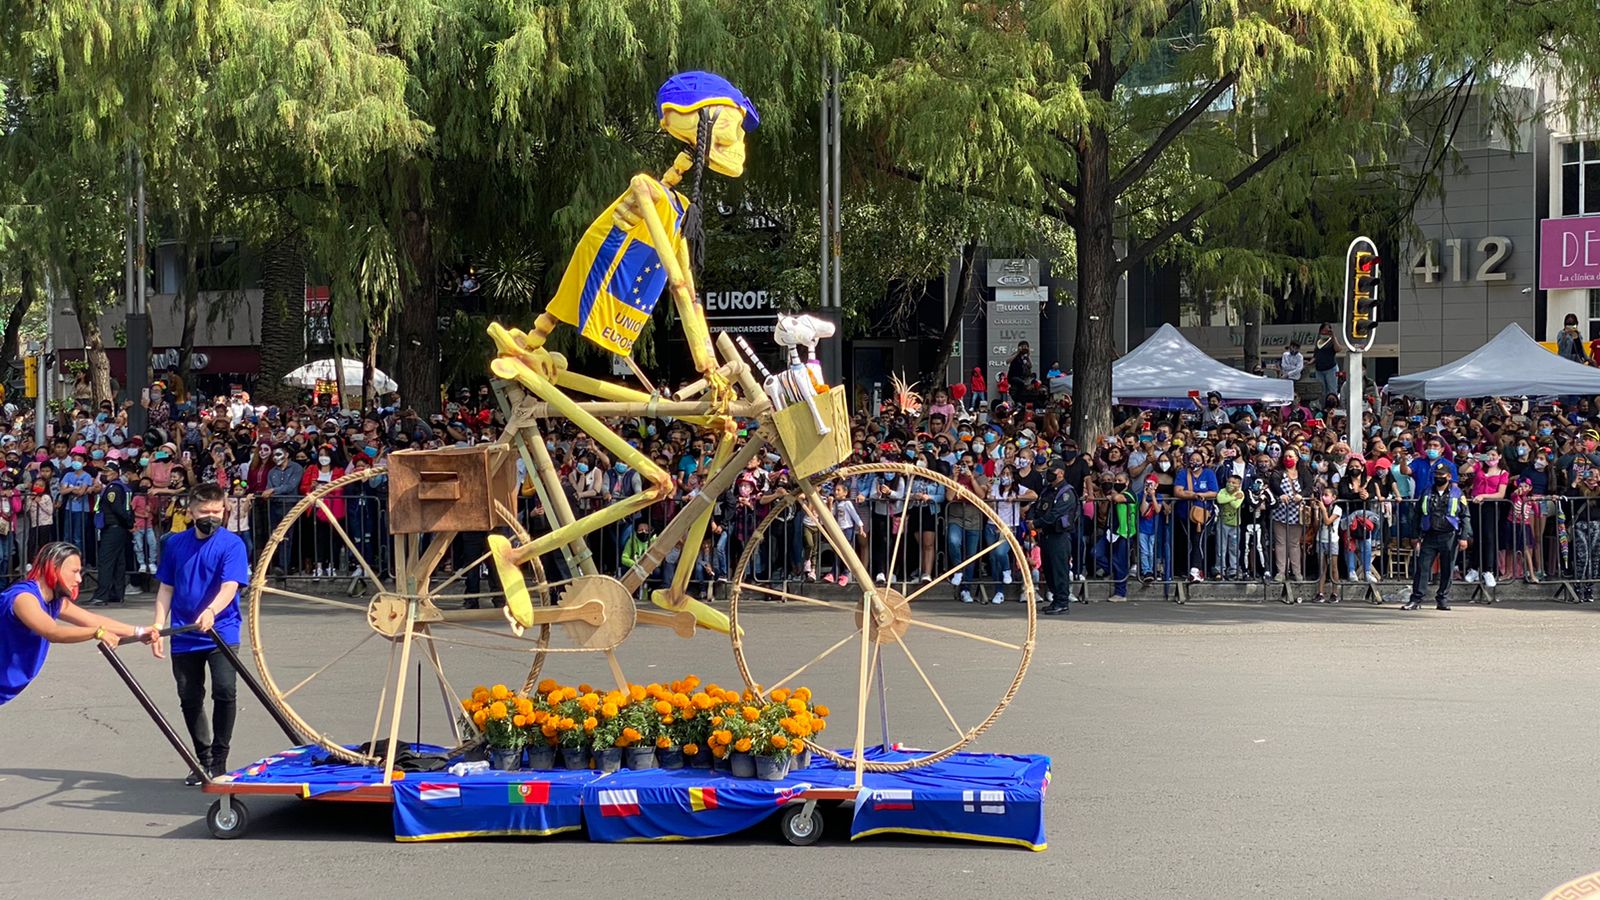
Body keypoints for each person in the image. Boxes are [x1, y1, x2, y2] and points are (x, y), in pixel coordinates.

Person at [150, 483, 251, 784]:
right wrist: (157, 625)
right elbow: (166, 588)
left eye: (217, 511)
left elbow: (230, 586)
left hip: (221, 630)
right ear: (191, 511)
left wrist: (212, 610)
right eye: (205, 511)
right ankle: (203, 759)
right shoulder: (175, 544)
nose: (211, 516)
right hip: (184, 632)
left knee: (225, 691)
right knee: (189, 697)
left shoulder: (232, 544)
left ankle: (219, 760)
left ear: (224, 510)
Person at [1, 542, 156, 706]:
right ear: (54, 568)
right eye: (74, 572)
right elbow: (52, 632)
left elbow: (92, 619)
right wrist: (97, 632)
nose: (79, 579)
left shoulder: (54, 601)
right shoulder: (24, 598)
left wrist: (139, 631)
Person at [1402, 464, 1473, 611]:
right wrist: (1415, 535)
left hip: (1449, 536)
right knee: (1422, 568)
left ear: (1448, 476)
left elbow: (1465, 516)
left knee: (1447, 569)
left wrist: (1464, 537)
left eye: (1441, 475)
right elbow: (1417, 515)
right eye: (1436, 474)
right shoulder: (1427, 491)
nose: (1438, 477)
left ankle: (1442, 599)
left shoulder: (1457, 493)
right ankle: (1416, 599)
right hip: (1430, 535)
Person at [1034, 459, 1078, 616]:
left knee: (1059, 569)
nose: (1049, 474)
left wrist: (1036, 523)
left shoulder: (1066, 492)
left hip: (1059, 535)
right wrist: (1033, 520)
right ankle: (1055, 599)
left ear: (1061, 473)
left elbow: (1055, 514)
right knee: (1049, 569)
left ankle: (1062, 602)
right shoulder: (1047, 490)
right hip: (1046, 535)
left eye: (1052, 471)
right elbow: (1039, 507)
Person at [88, 461, 133, 606]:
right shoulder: (119, 487)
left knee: (106, 561)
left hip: (113, 528)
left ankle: (102, 595)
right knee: (118, 562)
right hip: (118, 529)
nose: (104, 475)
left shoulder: (113, 488)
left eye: (107, 472)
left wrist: (128, 522)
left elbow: (117, 508)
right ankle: (116, 593)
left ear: (114, 473)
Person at [1312, 324, 1340, 406]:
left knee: (1332, 390)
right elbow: (1316, 355)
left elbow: (1338, 349)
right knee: (1321, 391)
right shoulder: (1319, 341)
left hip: (1331, 369)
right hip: (1319, 370)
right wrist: (1310, 362)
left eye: (1328, 330)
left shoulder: (1332, 340)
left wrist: (1333, 336)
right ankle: (1323, 408)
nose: (1325, 332)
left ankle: (1333, 406)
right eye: (1324, 330)